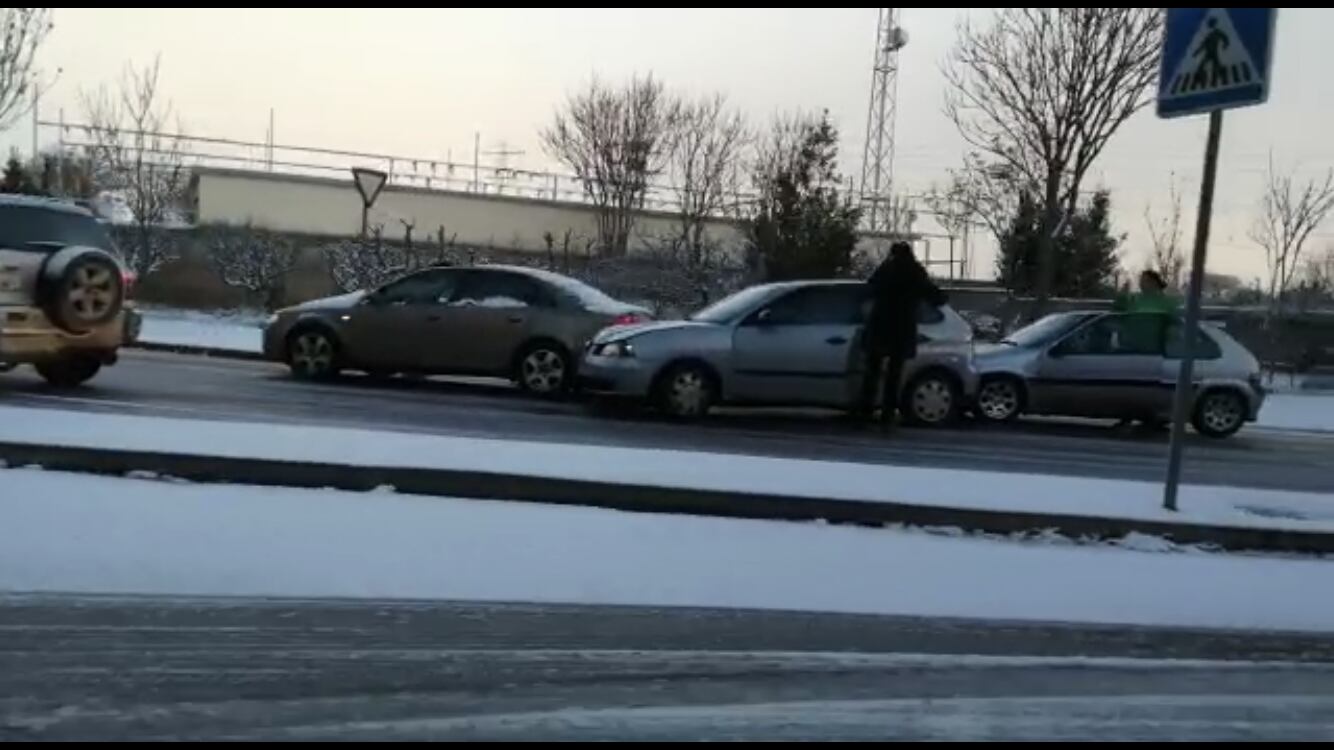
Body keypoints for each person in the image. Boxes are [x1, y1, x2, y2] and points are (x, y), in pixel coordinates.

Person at [856, 241, 946, 429]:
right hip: (901, 328)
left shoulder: (886, 269)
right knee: (894, 374)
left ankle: (866, 409)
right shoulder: (914, 271)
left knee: (872, 371)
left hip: (880, 325)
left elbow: (869, 289)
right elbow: (933, 295)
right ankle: (887, 413)